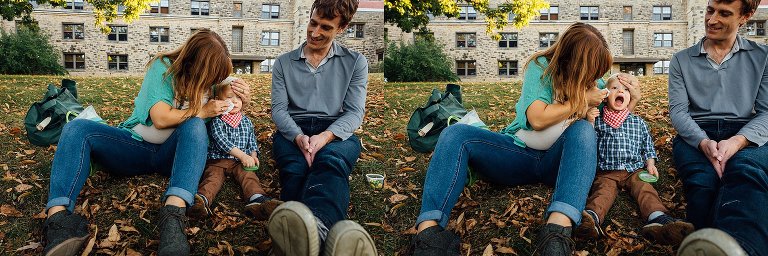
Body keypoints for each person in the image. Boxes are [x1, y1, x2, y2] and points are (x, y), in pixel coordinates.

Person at [409, 22, 641, 256]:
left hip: (560, 163)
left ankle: (557, 230)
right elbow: (537, 118)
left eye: (599, 72)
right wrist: (580, 102)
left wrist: (632, 99)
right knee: (455, 133)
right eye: (592, 70)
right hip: (517, 153)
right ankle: (429, 234)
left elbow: (616, 120)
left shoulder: (597, 84)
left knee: (583, 130)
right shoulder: (542, 67)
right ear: (575, 62)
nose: (597, 77)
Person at [42, 29, 250, 256]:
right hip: (135, 146)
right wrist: (202, 111)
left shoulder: (213, 84)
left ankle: (173, 216)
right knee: (76, 128)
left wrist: (241, 96)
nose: (213, 82)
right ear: (197, 66)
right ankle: (59, 221)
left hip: (175, 156)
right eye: (212, 76)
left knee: (195, 125)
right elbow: (160, 119)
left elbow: (230, 94)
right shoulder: (164, 68)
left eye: (217, 78)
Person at [267, 0, 377, 255]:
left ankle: (316, 229)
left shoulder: (355, 62)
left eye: (325, 27)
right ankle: (308, 239)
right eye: (313, 23)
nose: (315, 33)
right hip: (293, 129)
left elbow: (354, 112)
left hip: (335, 130)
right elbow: (279, 110)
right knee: (294, 169)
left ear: (342, 28)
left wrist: (325, 137)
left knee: (331, 163)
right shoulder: (283, 63)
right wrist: (298, 138)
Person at [669, 0, 768, 255]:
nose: (711, 20)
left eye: (724, 13)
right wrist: (703, 143)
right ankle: (703, 246)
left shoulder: (763, 57)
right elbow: (678, 112)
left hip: (747, 133)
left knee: (746, 172)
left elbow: (766, 112)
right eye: (710, 10)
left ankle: (744, 248)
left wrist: (737, 142)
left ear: (746, 16)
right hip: (696, 133)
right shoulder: (681, 60)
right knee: (702, 181)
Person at [575, 74, 693, 246]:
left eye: (625, 90)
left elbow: (647, 144)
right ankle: (592, 219)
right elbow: (589, 143)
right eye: (614, 88)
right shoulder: (599, 120)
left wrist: (650, 163)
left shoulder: (638, 122)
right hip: (607, 171)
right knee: (603, 192)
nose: (620, 91)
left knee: (645, 189)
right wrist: (590, 122)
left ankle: (658, 218)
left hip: (634, 170)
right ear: (605, 96)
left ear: (630, 97)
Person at [187, 77, 282, 220]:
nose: (235, 101)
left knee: (249, 176)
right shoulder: (217, 120)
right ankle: (202, 201)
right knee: (213, 178)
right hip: (218, 160)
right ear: (218, 100)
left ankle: (257, 200)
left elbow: (251, 140)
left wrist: (253, 155)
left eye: (238, 97)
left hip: (239, 163)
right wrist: (243, 155)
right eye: (230, 97)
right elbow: (221, 141)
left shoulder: (246, 121)